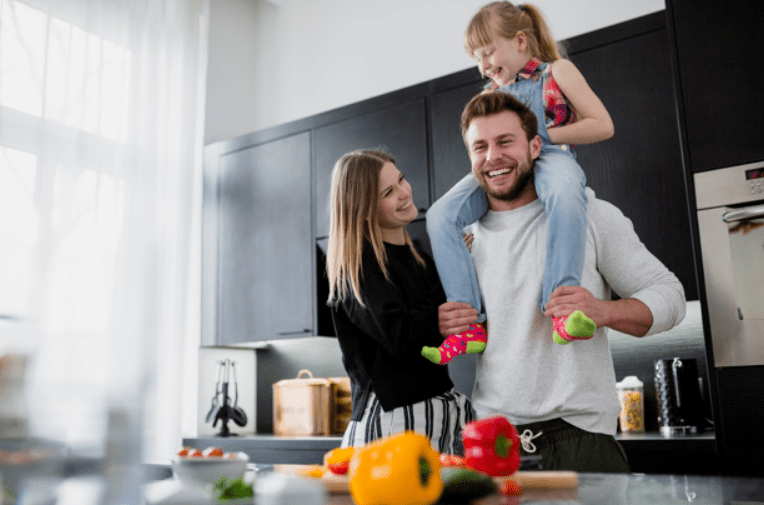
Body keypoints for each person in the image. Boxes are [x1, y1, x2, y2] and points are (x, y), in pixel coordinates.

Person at [439, 90, 686, 472]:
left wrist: (602, 310)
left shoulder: (591, 216)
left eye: (506, 142)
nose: (493, 157)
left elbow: (671, 296)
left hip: (581, 439)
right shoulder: (464, 239)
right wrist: (449, 323)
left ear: (536, 146)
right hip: (490, 439)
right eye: (480, 147)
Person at [422, 1, 614, 365]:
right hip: (504, 167)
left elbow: (602, 124)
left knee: (565, 191)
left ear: (521, 40)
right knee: (440, 214)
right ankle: (471, 327)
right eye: (476, 58)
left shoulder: (558, 72)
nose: (483, 65)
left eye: (488, 51)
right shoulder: (487, 97)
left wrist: (540, 135)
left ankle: (562, 311)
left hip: (552, 156)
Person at [325, 149, 475, 453]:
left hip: (432, 414)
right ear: (364, 208)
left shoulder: (419, 257)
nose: (405, 192)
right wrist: (451, 276)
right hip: (392, 423)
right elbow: (401, 336)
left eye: (401, 179)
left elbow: (432, 333)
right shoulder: (356, 266)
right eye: (389, 192)